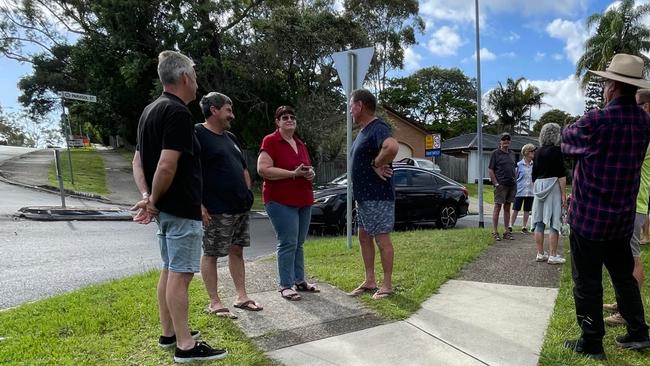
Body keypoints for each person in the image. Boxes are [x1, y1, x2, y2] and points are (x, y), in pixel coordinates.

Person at [131, 50, 227, 362]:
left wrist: (147, 197)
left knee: (170, 269)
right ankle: (185, 346)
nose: (197, 85)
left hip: (169, 209)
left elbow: (138, 161)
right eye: (196, 78)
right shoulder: (177, 113)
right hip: (178, 209)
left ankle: (169, 333)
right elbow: (167, 166)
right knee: (181, 275)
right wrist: (153, 201)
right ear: (184, 77)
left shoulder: (150, 111)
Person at [561, 53, 650, 360]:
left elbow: (566, 140)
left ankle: (592, 341)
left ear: (612, 85)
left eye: (606, 81)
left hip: (590, 218)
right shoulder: (644, 122)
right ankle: (639, 332)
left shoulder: (597, 120)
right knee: (623, 276)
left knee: (587, 281)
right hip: (622, 217)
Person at [195, 92, 261, 319]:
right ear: (213, 110)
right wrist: (199, 203)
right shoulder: (198, 134)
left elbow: (242, 168)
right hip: (215, 208)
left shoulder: (230, 137)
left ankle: (241, 296)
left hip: (239, 206)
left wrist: (248, 192)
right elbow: (190, 172)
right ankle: (214, 302)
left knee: (237, 250)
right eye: (228, 110)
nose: (232, 115)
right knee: (212, 253)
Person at [257, 106, 318, 301]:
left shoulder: (300, 143)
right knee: (288, 242)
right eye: (284, 117)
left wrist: (310, 173)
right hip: (280, 200)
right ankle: (285, 285)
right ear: (278, 122)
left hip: (304, 199)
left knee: (299, 243)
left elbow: (305, 168)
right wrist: (293, 174)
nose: (289, 120)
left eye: (292, 117)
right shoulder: (271, 141)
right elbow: (263, 169)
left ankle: (299, 280)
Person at [602, 88, 650, 326]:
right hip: (633, 202)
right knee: (624, 258)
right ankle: (622, 303)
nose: (635, 110)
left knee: (632, 258)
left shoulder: (644, 132)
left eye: (639, 105)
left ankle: (627, 311)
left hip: (635, 202)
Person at [347, 89, 399, 300]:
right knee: (363, 236)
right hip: (364, 197)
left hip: (377, 196)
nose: (350, 109)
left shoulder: (378, 127)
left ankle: (387, 285)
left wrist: (377, 162)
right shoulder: (363, 131)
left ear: (360, 105)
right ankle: (370, 280)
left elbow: (392, 146)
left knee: (382, 240)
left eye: (351, 105)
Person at [530, 123, 566, 265]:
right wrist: (563, 195)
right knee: (553, 221)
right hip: (553, 186)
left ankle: (540, 253)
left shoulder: (537, 151)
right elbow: (561, 175)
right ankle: (553, 255)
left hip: (539, 186)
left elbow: (534, 176)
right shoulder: (558, 151)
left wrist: (538, 189)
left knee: (539, 221)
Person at [488, 132, 517, 241]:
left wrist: (515, 179)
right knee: (497, 207)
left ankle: (506, 232)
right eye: (503, 139)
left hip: (511, 185)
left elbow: (514, 167)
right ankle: (495, 232)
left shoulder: (512, 153)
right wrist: (496, 183)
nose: (506, 141)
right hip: (501, 185)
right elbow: (490, 169)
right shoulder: (495, 153)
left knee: (507, 207)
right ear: (500, 141)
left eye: (508, 139)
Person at [509, 143, 535, 234]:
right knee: (516, 209)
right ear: (527, 152)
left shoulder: (534, 165)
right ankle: (510, 226)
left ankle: (524, 227)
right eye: (532, 151)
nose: (534, 153)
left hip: (530, 192)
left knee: (527, 210)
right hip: (519, 191)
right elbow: (515, 178)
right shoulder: (519, 165)